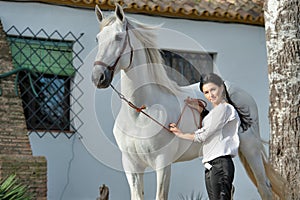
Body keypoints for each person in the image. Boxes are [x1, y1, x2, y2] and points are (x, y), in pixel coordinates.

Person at [169, 73, 252, 200]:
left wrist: (181, 134)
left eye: (213, 89)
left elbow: (205, 135)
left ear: (221, 88)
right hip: (211, 166)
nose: (210, 95)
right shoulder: (217, 112)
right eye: (206, 92)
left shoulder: (225, 108)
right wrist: (200, 109)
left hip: (220, 165)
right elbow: (213, 124)